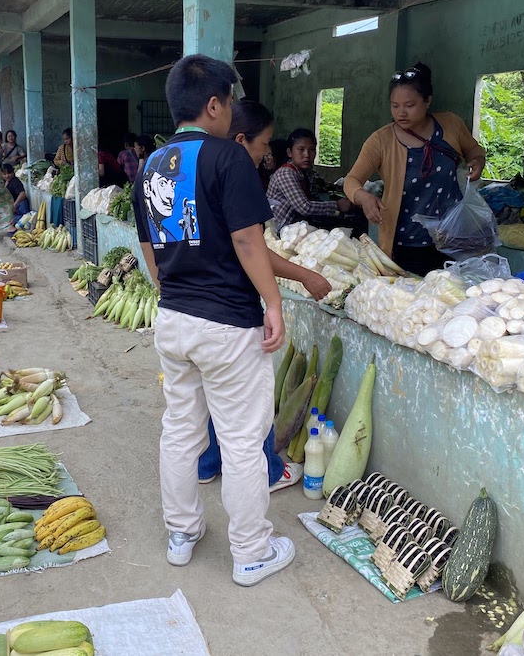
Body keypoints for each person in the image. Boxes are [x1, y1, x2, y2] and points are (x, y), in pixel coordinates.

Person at [132, 54, 295, 587]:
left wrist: (175, 292)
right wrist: (273, 302)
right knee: (244, 440)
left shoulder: (151, 166)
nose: (230, 113)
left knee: (180, 429)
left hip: (174, 319)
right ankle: (250, 553)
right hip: (227, 323)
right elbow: (249, 241)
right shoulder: (229, 158)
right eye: (228, 102)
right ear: (213, 104)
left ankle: (182, 534)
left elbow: (148, 250)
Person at [197, 100, 333, 493]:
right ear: (242, 140)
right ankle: (269, 473)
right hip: (231, 308)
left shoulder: (192, 167)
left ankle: (207, 463)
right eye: (265, 144)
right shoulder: (236, 174)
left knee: (208, 394)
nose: (266, 153)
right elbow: (250, 245)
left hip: (192, 308)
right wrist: (296, 283)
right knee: (248, 404)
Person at [343, 63, 486, 276]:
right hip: (408, 242)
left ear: (427, 101)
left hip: (454, 237)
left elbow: (474, 150)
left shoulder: (450, 124)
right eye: (395, 105)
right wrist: (363, 197)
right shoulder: (381, 141)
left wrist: (477, 161)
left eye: (409, 105)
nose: (401, 113)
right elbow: (352, 180)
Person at [266, 128, 360, 233]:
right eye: (301, 149)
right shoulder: (286, 173)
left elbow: (314, 198)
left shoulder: (305, 173)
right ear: (289, 152)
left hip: (294, 229)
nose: (307, 155)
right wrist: (337, 205)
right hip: (278, 232)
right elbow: (304, 207)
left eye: (311, 150)